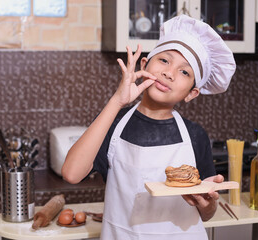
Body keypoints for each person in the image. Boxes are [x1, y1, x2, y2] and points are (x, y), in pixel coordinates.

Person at [62, 14, 236, 240]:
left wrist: (206, 202)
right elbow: (71, 173)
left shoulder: (195, 136)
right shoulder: (114, 122)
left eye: (185, 72)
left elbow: (207, 214)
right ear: (145, 64)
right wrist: (117, 101)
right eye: (164, 60)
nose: (169, 73)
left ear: (192, 93)